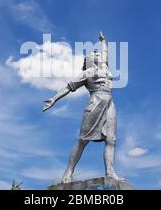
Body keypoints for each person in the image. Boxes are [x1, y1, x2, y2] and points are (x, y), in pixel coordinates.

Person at [43, 32, 123, 183]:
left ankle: (110, 172)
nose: (100, 55)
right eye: (97, 55)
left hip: (110, 104)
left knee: (111, 139)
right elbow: (68, 87)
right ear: (91, 60)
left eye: (99, 54)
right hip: (95, 102)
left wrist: (103, 41)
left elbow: (105, 53)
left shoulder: (105, 68)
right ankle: (68, 171)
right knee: (82, 140)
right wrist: (53, 99)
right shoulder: (87, 73)